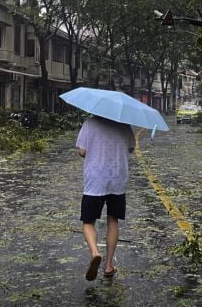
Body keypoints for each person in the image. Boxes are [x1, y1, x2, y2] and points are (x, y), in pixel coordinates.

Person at [76, 115, 135, 281]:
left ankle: (95, 252)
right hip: (117, 178)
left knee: (88, 222)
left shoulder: (90, 123)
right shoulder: (123, 124)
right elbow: (131, 148)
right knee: (113, 220)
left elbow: (82, 151)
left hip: (95, 180)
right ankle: (108, 266)